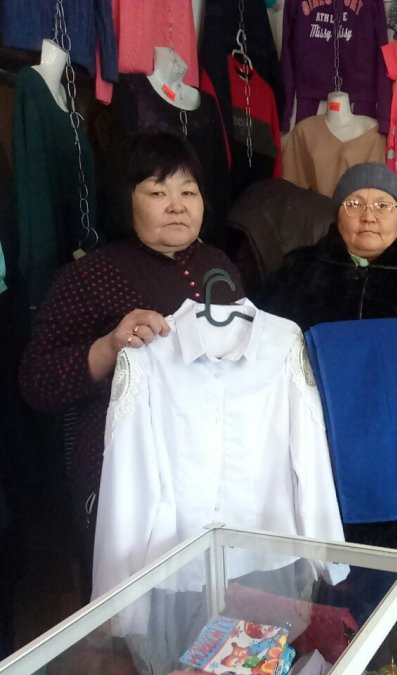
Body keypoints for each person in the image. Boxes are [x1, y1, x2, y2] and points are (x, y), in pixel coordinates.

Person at [18, 131, 244, 599]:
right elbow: (36, 382)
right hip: (126, 478)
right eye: (157, 192)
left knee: (215, 598)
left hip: (215, 473)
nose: (177, 206)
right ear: (127, 200)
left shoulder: (220, 266)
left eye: (188, 192)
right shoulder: (90, 275)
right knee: (138, 610)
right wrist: (108, 347)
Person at [259, 162, 397, 552]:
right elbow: (265, 344)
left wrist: (385, 390)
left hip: (396, 440)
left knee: (388, 558)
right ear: (337, 213)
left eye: (383, 205)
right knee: (317, 547)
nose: (369, 216)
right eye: (354, 203)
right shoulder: (298, 270)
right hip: (314, 435)